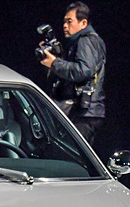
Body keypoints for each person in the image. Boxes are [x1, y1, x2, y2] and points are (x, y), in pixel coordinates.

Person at [39, 2, 106, 144]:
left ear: (83, 23)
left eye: (69, 21)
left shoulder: (86, 40)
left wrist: (55, 63)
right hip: (82, 112)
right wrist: (53, 60)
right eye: (64, 22)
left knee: (72, 155)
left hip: (84, 114)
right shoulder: (81, 42)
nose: (65, 25)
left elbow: (84, 70)